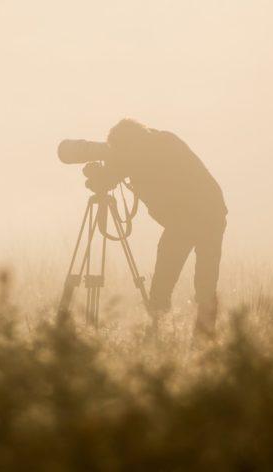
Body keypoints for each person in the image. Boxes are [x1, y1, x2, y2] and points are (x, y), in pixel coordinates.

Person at [84, 119, 227, 340]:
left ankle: (192, 338)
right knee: (171, 282)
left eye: (120, 149)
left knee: (197, 282)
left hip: (203, 214)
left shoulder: (159, 147)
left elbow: (139, 169)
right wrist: (102, 177)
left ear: (131, 143)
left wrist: (108, 172)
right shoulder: (145, 149)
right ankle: (166, 336)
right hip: (188, 218)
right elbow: (113, 177)